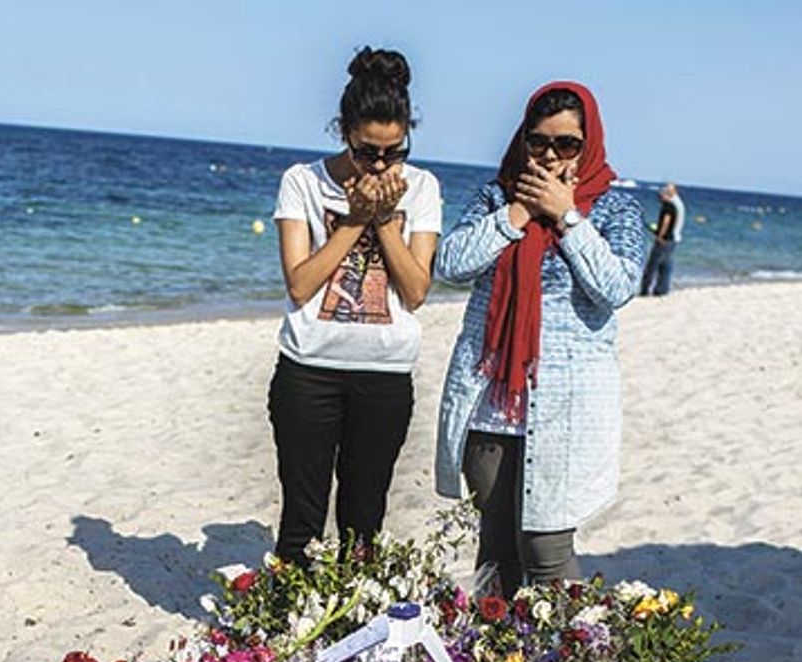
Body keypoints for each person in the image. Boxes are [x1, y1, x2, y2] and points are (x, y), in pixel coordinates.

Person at [433, 82, 645, 598]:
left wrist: (567, 215)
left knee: (546, 550)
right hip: (491, 402)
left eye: (566, 144)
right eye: (538, 142)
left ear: (588, 143)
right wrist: (518, 215)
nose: (550, 155)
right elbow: (451, 264)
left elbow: (616, 287)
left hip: (566, 407)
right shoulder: (495, 196)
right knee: (496, 548)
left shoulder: (615, 209)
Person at [268, 48, 441, 568]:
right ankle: (285, 640)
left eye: (396, 151)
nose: (383, 164)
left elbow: (415, 291)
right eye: (369, 152)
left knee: (364, 523)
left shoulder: (425, 187)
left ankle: (355, 640)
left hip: (384, 374)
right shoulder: (302, 181)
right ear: (344, 132)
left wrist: (385, 220)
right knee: (302, 520)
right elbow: (300, 286)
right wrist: (352, 220)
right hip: (309, 370)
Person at [640, 183, 686, 296]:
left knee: (652, 265)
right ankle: (662, 289)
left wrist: (660, 236)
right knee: (665, 265)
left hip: (665, 239)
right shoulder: (677, 204)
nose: (659, 198)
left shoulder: (668, 206)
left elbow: (666, 221)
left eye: (661, 195)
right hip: (672, 239)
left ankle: (645, 290)